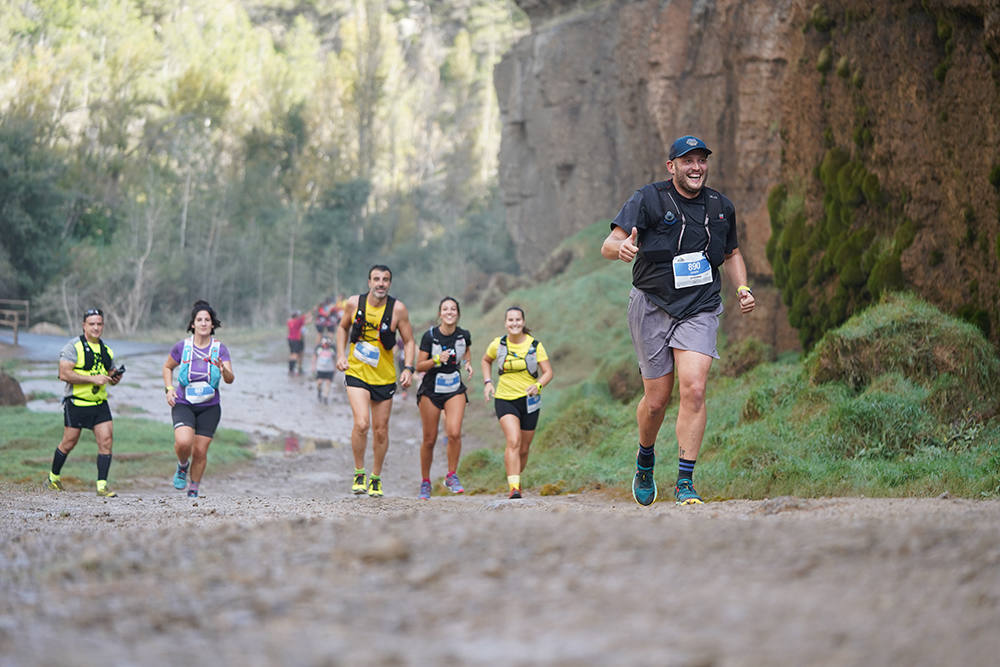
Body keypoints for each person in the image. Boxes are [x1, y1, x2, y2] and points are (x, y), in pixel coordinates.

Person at [601, 135, 756, 506]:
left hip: (699, 306)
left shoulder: (721, 206)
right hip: (651, 303)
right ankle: (645, 459)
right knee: (656, 401)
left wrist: (742, 288)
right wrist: (620, 248)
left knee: (695, 388)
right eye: (687, 161)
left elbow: (731, 253)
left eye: (701, 160)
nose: (696, 167)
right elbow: (609, 244)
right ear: (671, 166)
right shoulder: (649, 198)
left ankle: (685, 482)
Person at [335, 265, 415, 497]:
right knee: (362, 424)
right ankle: (359, 471)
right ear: (369, 281)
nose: (381, 283)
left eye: (385, 280)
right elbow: (342, 328)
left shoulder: (398, 309)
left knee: (380, 431)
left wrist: (408, 368)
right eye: (376, 279)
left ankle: (376, 477)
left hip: (384, 376)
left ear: (390, 283)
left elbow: (409, 341)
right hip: (357, 372)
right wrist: (341, 355)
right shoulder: (354, 303)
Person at [46, 308, 124, 497]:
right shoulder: (73, 347)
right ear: (84, 326)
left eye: (99, 324)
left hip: (99, 404)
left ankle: (102, 486)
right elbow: (64, 374)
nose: (96, 328)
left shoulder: (106, 350)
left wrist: (114, 378)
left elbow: (109, 373)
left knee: (106, 441)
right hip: (77, 403)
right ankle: (53, 479)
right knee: (68, 442)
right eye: (92, 324)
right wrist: (93, 379)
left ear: (103, 326)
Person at [162, 300, 235, 498]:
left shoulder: (220, 349)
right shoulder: (182, 347)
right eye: (199, 320)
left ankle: (194, 488)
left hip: (210, 407)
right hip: (184, 403)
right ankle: (182, 466)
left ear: (213, 325)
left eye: (207, 320)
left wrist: (223, 369)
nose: (203, 323)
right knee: (184, 443)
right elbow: (167, 367)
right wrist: (169, 389)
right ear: (192, 324)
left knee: (200, 451)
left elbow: (230, 379)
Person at [481, 306, 554, 499]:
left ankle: (516, 478)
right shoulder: (498, 344)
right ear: (505, 323)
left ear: (523, 322)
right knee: (513, 440)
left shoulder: (534, 345)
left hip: (530, 401)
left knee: (523, 447)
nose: (514, 323)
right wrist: (488, 382)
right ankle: (514, 488)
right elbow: (486, 360)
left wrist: (538, 386)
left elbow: (548, 372)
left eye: (518, 320)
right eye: (510, 320)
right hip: (505, 399)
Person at [414, 297, 473, 499]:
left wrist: (468, 364)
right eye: (445, 309)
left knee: (454, 433)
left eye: (453, 309)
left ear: (458, 313)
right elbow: (419, 366)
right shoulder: (429, 336)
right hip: (431, 390)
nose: (449, 312)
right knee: (429, 439)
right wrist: (437, 359)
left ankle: (451, 475)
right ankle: (425, 481)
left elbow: (466, 353)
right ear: (440, 314)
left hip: (454, 388)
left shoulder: (464, 335)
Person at [312, 336, 337, 404]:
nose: (326, 345)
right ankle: (319, 391)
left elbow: (334, 358)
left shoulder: (332, 349)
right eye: (325, 344)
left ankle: (325, 397)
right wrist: (313, 366)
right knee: (319, 383)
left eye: (327, 344)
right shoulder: (319, 349)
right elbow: (314, 357)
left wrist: (335, 367)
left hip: (329, 369)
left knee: (328, 383)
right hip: (320, 369)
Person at [287, 309, 309, 375]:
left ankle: (291, 369)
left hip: (290, 339)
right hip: (296, 339)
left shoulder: (289, 321)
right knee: (295, 354)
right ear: (296, 316)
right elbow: (306, 320)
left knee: (292, 354)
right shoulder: (298, 322)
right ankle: (292, 370)